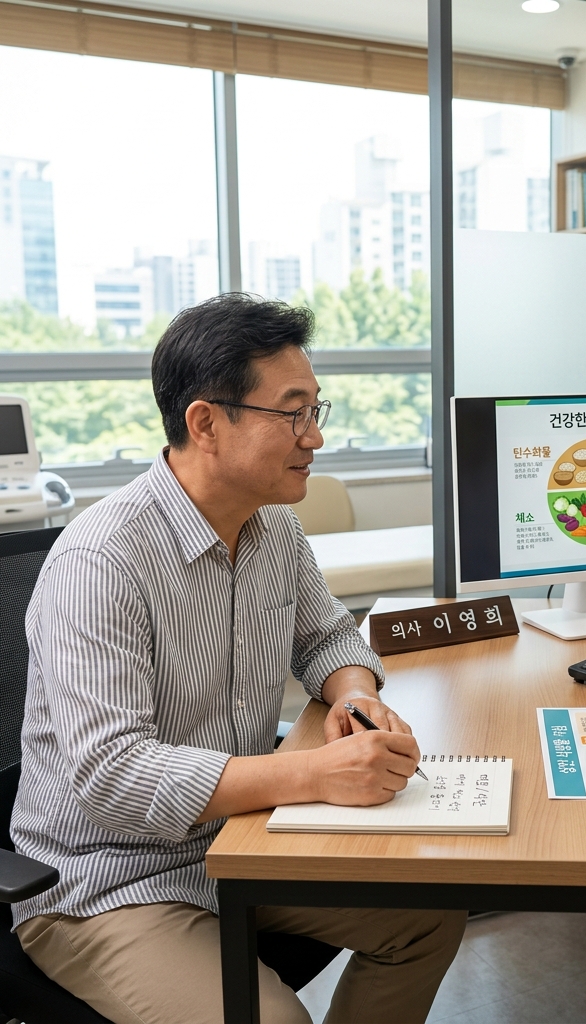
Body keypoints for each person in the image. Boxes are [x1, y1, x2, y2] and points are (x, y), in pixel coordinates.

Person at [11, 294, 466, 1024]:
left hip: (243, 844)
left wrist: (353, 695)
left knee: (427, 918)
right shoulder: (101, 561)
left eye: (317, 410)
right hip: (108, 884)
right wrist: (314, 772)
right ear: (205, 423)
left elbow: (329, 637)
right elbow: (110, 774)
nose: (314, 437)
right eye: (293, 413)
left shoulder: (274, 532)